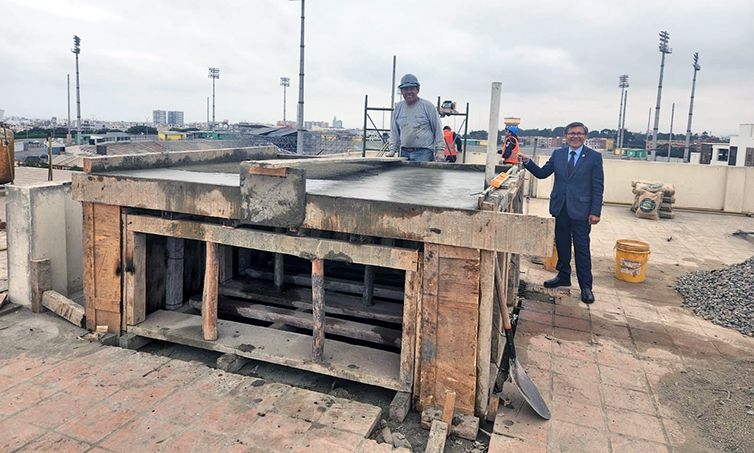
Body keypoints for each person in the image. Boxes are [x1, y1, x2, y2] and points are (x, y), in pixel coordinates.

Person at [518, 121, 604, 304]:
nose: (575, 136)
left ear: (585, 137)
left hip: (582, 211)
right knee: (562, 245)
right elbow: (542, 174)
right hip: (561, 208)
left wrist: (595, 211)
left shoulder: (593, 157)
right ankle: (563, 275)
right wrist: (527, 162)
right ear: (566, 136)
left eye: (579, 133)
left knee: (582, 249)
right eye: (572, 133)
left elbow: (598, 187)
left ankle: (586, 287)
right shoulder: (558, 154)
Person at [388, 74, 444, 162]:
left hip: (424, 153)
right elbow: (394, 132)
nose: (408, 92)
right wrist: (392, 149)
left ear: (417, 90)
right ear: (401, 91)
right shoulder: (398, 108)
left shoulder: (428, 107)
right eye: (405, 89)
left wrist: (440, 150)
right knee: (404, 176)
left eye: (412, 89)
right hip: (404, 153)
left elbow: (438, 129)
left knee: (421, 176)